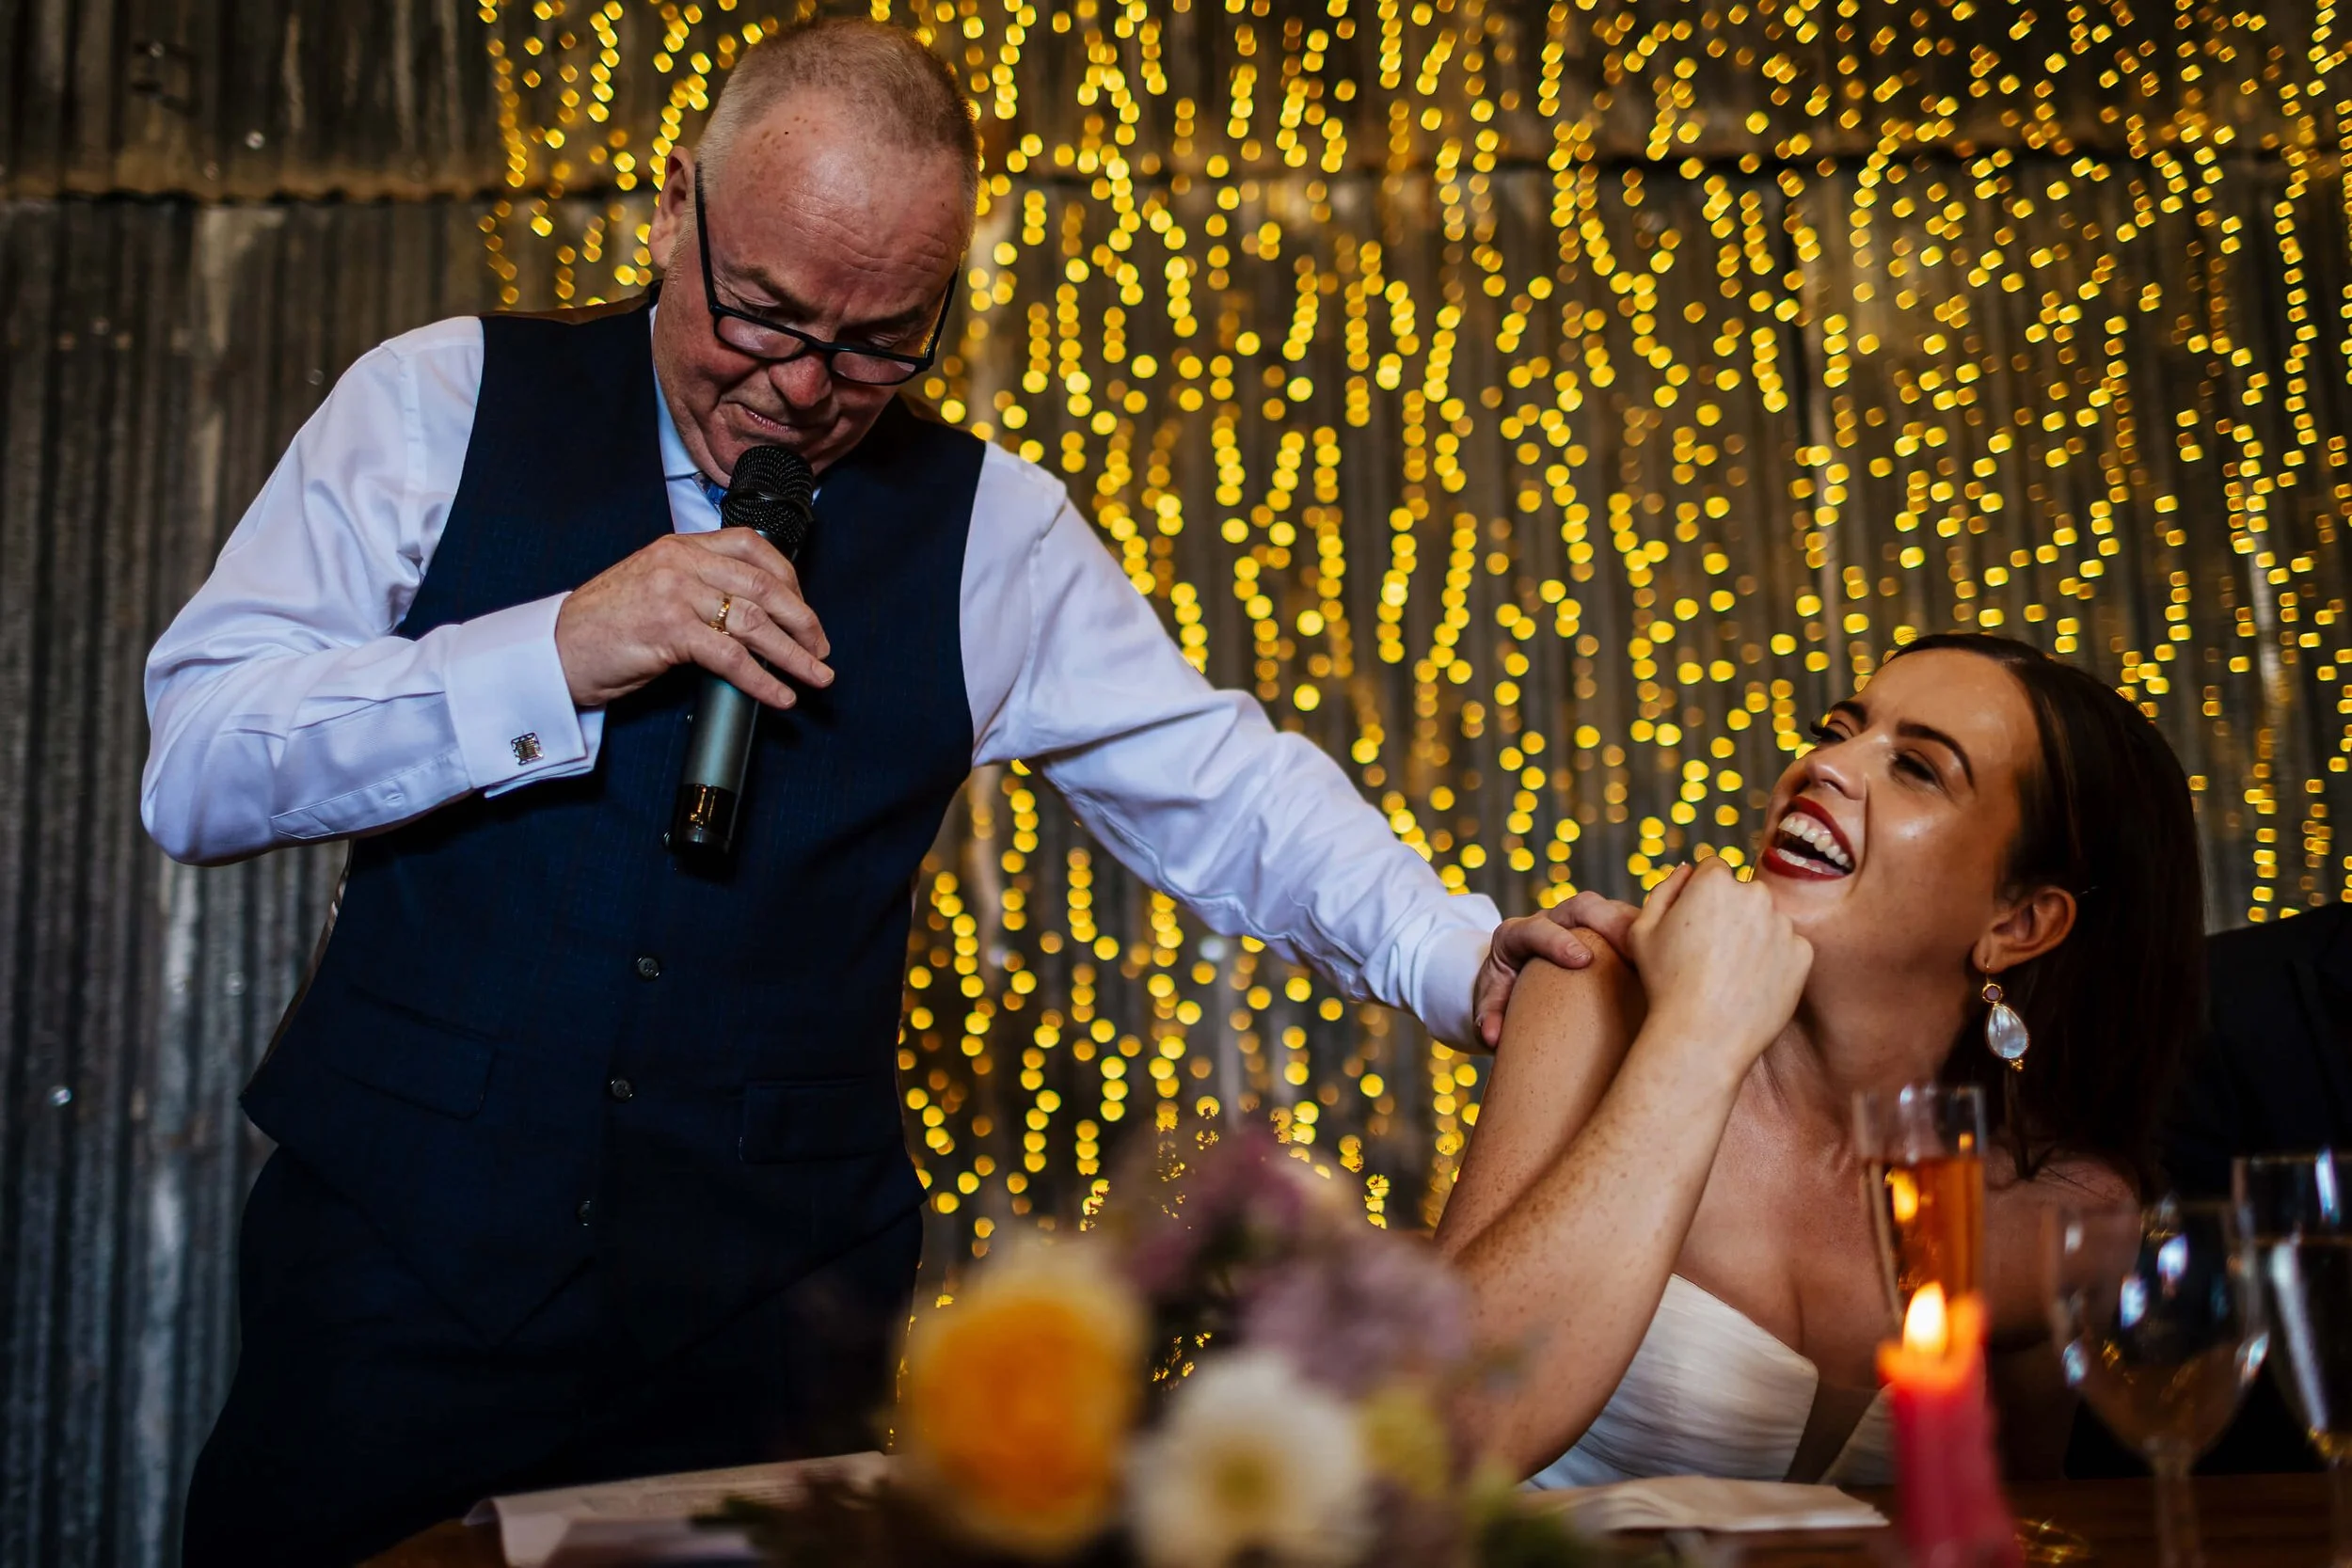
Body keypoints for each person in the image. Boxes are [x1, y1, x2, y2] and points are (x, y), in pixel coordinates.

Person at [141, 21, 1604, 1565]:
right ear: (668, 206)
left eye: (875, 341)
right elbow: (204, 759)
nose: (801, 388)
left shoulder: (996, 534)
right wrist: (558, 650)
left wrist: (1454, 949)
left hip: (766, 1335)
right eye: (761, 314)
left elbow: (1226, 788)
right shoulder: (437, 397)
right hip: (390, 1288)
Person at [1436, 633, 2203, 1486]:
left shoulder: (2063, 1213)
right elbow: (1435, 1437)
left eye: (1916, 767)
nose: (1823, 766)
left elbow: (2022, 1531)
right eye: (1838, 729)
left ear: (2016, 923)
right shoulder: (1591, 990)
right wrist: (1696, 1033)